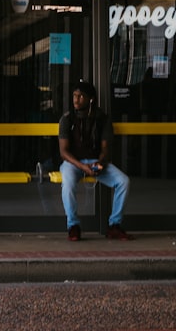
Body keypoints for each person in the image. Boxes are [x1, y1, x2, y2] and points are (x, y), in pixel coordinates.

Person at [58, 79, 132, 241]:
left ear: (91, 99)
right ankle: (73, 226)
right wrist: (82, 167)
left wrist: (99, 162)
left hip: (95, 161)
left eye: (80, 96)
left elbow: (106, 148)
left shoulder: (102, 118)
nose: (76, 100)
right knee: (68, 183)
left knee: (123, 181)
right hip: (72, 163)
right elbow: (63, 152)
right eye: (74, 96)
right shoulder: (67, 119)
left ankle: (114, 225)